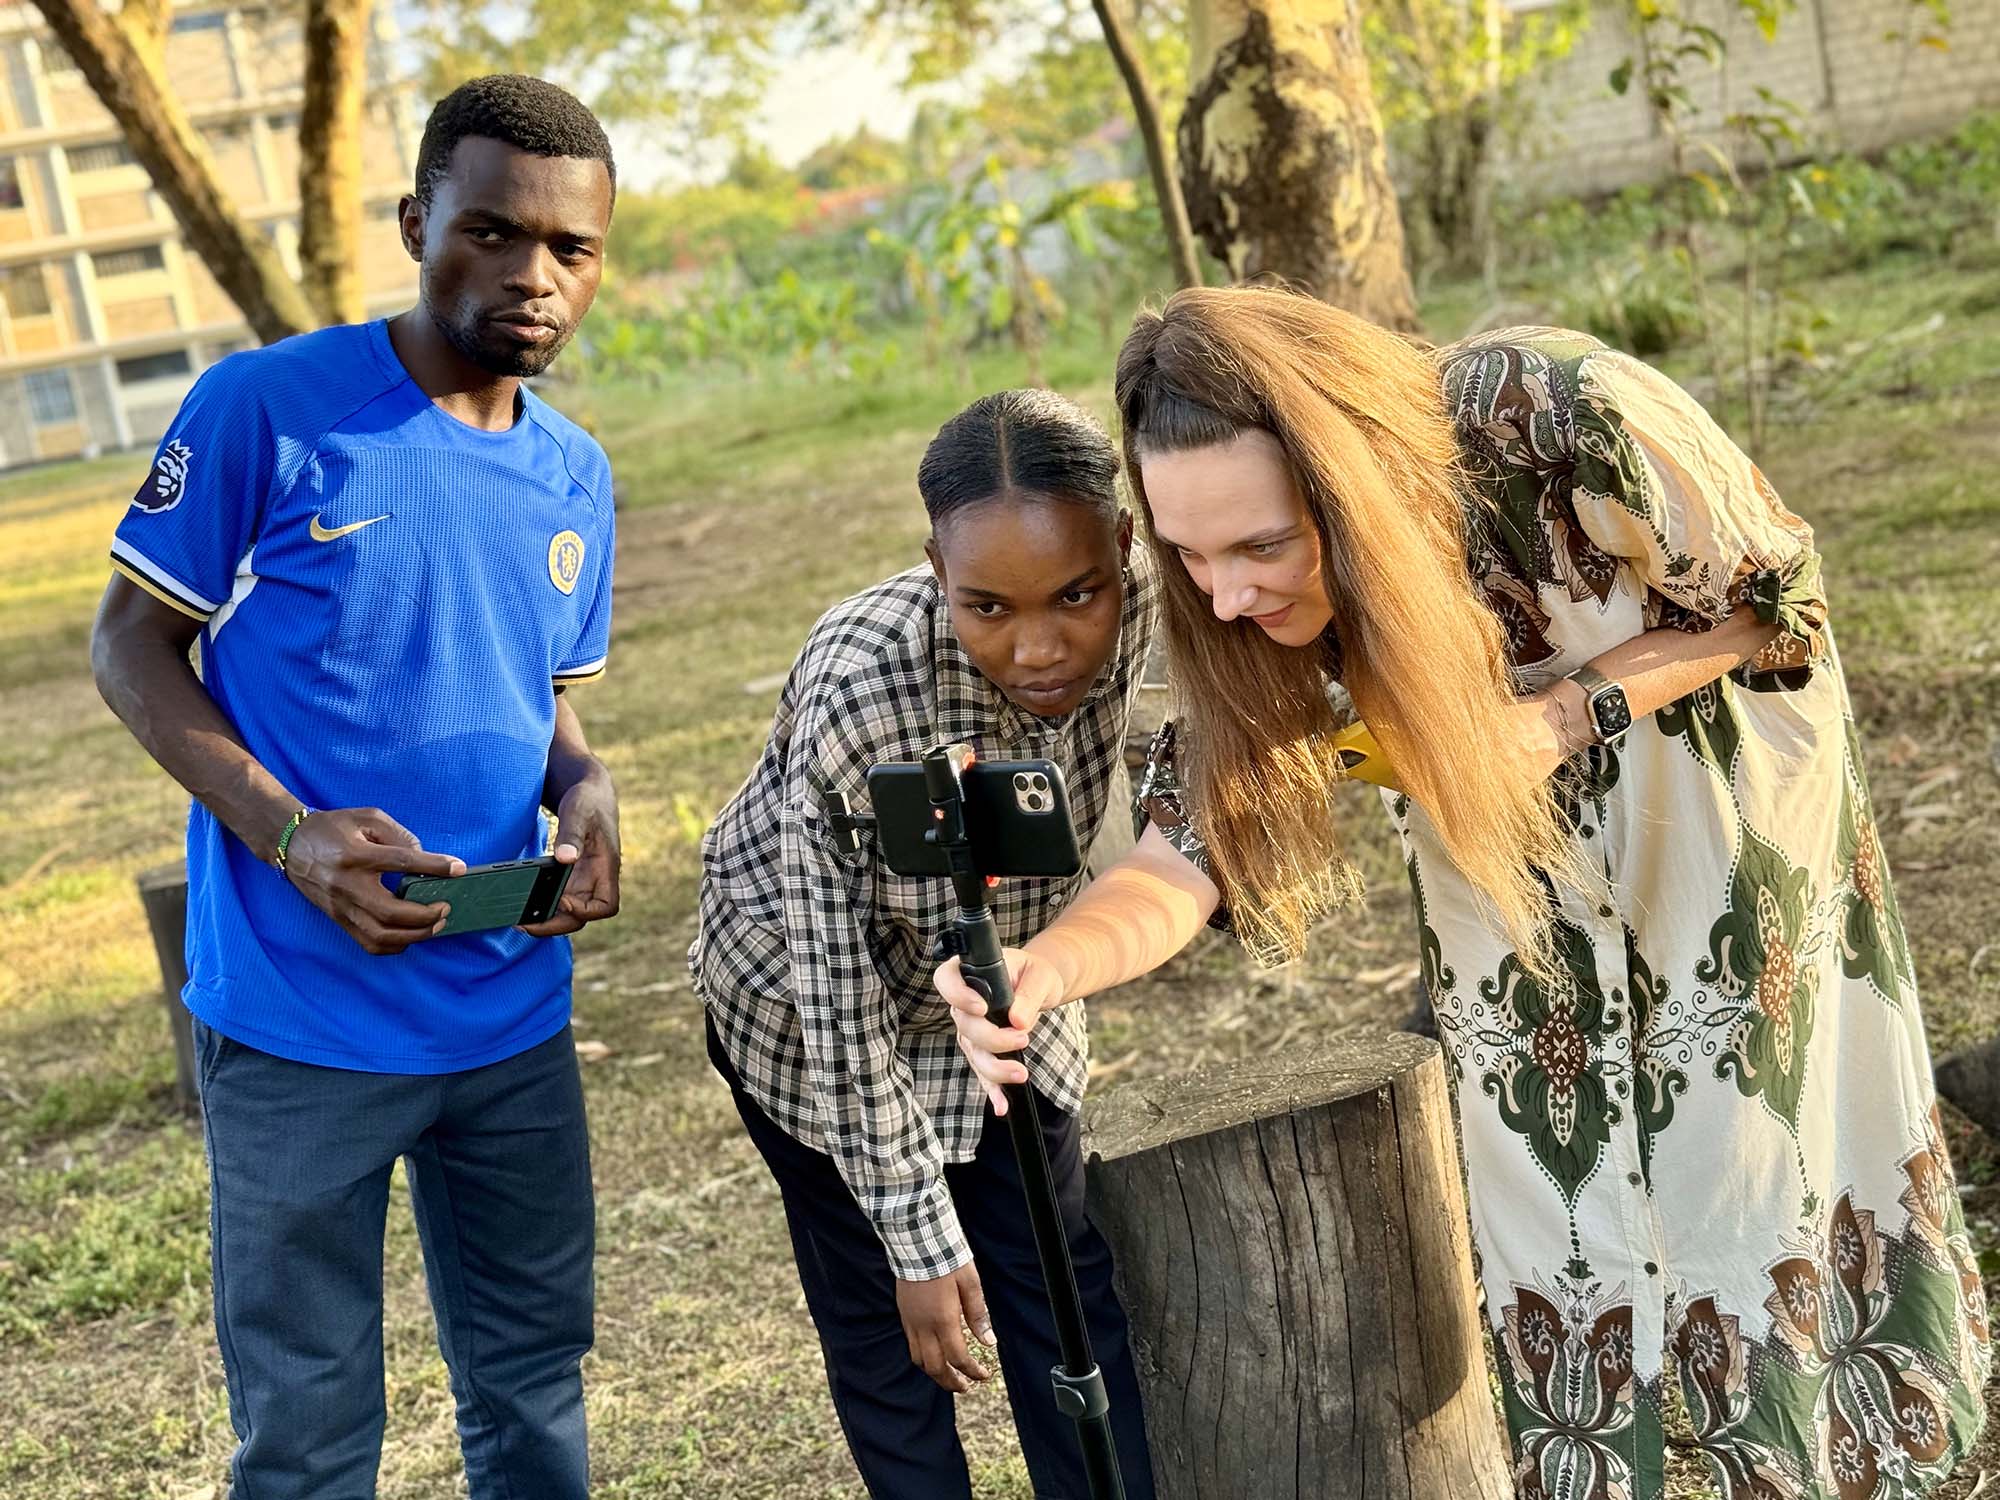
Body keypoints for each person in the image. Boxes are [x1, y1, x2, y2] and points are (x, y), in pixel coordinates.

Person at [939, 288, 1991, 1500]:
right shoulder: (1231, 618)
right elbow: (1187, 849)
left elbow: (1773, 599)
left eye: (1262, 546)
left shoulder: (1555, 411)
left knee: (1753, 1177)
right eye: (1188, 553)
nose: (1224, 595)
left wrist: (1558, 717)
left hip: (1719, 839)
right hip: (1506, 890)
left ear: (1351, 481)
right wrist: (1044, 970)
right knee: (1558, 1205)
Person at [89, 75, 621, 1500]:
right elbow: (129, 645)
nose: (533, 275)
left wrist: (586, 783)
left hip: (507, 1012)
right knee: (311, 1434)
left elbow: (542, 700)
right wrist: (291, 836)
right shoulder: (267, 407)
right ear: (414, 224)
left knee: (532, 1388)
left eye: (570, 248)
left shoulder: (574, 475)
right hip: (300, 1023)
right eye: (492, 232)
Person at [691, 389, 1158, 1499]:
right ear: (935, 568)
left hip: (1004, 988)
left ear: (1121, 548)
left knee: (1064, 1290)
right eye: (986, 606)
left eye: (1076, 595)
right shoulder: (864, 692)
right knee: (891, 1329)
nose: (1038, 649)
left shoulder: (1160, 609)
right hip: (803, 1009)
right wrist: (910, 1235)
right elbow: (831, 990)